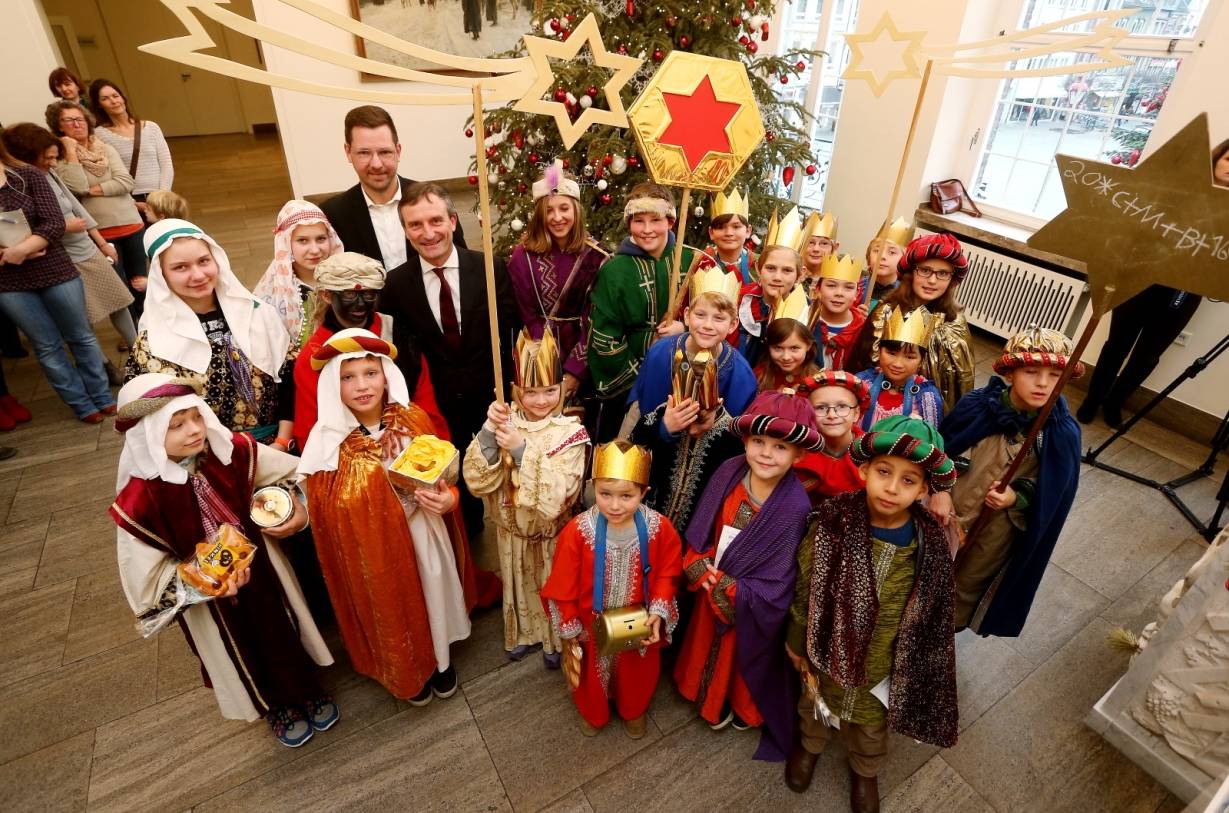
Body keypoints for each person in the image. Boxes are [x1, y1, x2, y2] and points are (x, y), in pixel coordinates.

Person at [109, 374, 337, 747]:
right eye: (176, 425)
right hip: (212, 604)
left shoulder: (232, 452)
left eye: (196, 417)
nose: (194, 430)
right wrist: (201, 581)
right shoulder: (140, 501)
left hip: (265, 571)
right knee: (243, 646)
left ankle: (306, 688)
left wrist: (293, 511)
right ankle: (274, 705)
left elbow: (297, 474)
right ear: (147, 435)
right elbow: (147, 583)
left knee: (283, 628)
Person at [784, 415, 958, 809]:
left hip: (883, 659)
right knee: (815, 702)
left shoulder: (928, 544)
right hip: (824, 644)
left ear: (924, 490)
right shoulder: (832, 522)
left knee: (869, 722)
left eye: (908, 480)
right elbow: (805, 587)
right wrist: (797, 641)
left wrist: (912, 663)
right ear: (863, 470)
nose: (892, 488)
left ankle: (865, 770)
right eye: (884, 472)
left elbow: (932, 612)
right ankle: (811, 745)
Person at [299, 329, 478, 704]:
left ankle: (440, 659)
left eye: (370, 373)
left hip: (424, 531)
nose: (362, 386)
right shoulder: (326, 444)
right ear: (334, 384)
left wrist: (450, 500)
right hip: (376, 550)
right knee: (393, 603)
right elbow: (329, 515)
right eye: (348, 377)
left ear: (386, 375)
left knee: (432, 592)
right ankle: (408, 668)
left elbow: (444, 475)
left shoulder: (412, 419)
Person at [675, 390, 821, 761]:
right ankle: (704, 695)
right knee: (704, 645)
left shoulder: (794, 506)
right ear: (745, 440)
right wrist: (699, 563)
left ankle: (738, 704)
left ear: (798, 455)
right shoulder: (729, 471)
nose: (766, 454)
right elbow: (701, 528)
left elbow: (782, 576)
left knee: (741, 659)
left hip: (748, 601)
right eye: (758, 441)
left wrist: (735, 590)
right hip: (711, 583)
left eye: (780, 447)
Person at [379, 181, 519, 539]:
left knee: (505, 483)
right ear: (405, 230)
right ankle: (469, 544)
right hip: (439, 408)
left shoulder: (490, 268)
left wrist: (513, 394)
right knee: (457, 488)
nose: (428, 233)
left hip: (493, 400)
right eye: (415, 225)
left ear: (453, 221)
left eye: (435, 221)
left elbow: (511, 332)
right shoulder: (396, 286)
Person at [929, 326, 1083, 636]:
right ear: (1011, 372)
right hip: (947, 510)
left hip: (996, 531)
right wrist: (940, 489)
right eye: (1031, 371)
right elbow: (943, 448)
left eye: (1054, 376)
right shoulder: (978, 406)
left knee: (965, 582)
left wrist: (1016, 497)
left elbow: (1053, 494)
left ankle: (937, 640)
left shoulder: (1060, 432)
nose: (1042, 383)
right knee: (926, 566)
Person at [1076, 139, 1228, 427]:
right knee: (1116, 345)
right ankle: (1092, 399)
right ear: (1216, 159)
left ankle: (1114, 403)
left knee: (1147, 357)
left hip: (1185, 292)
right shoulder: (1183, 191)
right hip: (1142, 280)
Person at [462, 328, 590, 667]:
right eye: (531, 392)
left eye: (549, 391)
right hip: (512, 536)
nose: (540, 400)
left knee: (552, 588)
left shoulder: (571, 433)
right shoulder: (505, 422)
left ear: (561, 389)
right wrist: (490, 434)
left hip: (551, 538)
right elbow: (477, 481)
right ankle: (522, 633)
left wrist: (521, 450)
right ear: (516, 391)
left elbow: (561, 493)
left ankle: (552, 640)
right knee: (517, 584)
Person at [540, 440, 684, 738]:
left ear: (644, 492)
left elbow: (668, 573)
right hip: (590, 624)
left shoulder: (660, 528)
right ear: (593, 487)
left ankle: (634, 709)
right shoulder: (577, 532)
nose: (615, 505)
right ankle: (594, 712)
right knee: (592, 672)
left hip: (638, 621)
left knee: (637, 671)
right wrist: (569, 624)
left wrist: (658, 611)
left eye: (626, 496)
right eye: (605, 494)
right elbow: (562, 584)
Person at [126, 219, 295, 448]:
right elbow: (155, 419)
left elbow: (290, 378)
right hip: (206, 456)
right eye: (180, 267)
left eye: (204, 261)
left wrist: (283, 441)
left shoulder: (257, 313)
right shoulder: (153, 341)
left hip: (278, 444)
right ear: (161, 275)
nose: (197, 275)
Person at [1, 123, 135, 385]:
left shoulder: (48, 173)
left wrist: (101, 242)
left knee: (119, 301)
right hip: (61, 259)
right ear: (28, 155)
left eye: (54, 157)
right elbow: (23, 228)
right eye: (48, 158)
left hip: (85, 248)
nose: (53, 163)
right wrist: (63, 226)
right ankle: (104, 368)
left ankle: (140, 351)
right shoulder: (19, 180)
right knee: (80, 322)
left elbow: (76, 208)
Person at [293, 251, 444, 451]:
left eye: (368, 294)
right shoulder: (314, 355)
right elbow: (311, 430)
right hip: (350, 462)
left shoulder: (398, 335)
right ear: (327, 295)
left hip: (412, 448)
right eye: (349, 294)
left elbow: (425, 402)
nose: (361, 304)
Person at [587, 182, 698, 441]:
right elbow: (604, 336)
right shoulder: (614, 270)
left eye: (655, 220)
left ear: (671, 221)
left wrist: (685, 328)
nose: (647, 230)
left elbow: (715, 316)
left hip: (684, 380)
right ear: (629, 224)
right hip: (629, 379)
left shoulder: (692, 261)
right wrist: (642, 368)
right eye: (639, 221)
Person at [506, 160, 605, 406]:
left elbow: (597, 320)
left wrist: (574, 371)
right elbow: (526, 314)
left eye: (564, 209)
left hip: (584, 358)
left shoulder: (597, 257)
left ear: (576, 211)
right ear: (540, 214)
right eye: (549, 210)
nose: (557, 217)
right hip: (538, 356)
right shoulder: (523, 255)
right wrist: (548, 360)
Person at [319, 106, 465, 271]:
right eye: (364, 153)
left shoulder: (434, 199)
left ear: (398, 151)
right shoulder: (332, 213)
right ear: (348, 152)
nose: (376, 164)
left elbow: (460, 260)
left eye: (384, 152)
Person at [848, 232, 975, 411]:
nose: (932, 280)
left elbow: (958, 385)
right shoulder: (885, 312)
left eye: (943, 273)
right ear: (910, 272)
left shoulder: (954, 324)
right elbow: (861, 364)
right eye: (925, 270)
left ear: (952, 279)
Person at [46, 100, 146, 320]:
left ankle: (149, 327)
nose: (77, 124)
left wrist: (90, 191)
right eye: (69, 120)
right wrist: (71, 152)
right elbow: (77, 186)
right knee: (119, 288)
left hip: (131, 223)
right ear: (58, 126)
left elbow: (126, 182)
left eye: (80, 119)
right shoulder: (58, 158)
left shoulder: (105, 148)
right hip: (101, 232)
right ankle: (133, 335)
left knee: (141, 282)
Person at [628, 270, 756, 422]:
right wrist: (665, 428)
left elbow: (737, 433)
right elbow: (638, 408)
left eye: (719, 318)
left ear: (733, 324)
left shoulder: (741, 374)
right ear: (687, 316)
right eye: (700, 315)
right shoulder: (660, 353)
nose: (708, 325)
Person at [253, 200, 344, 348]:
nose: (314, 250)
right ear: (286, 243)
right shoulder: (270, 291)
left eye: (321, 239)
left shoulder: (347, 278)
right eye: (303, 241)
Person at [735, 207, 816, 367]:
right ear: (758, 268)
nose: (777, 277)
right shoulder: (740, 301)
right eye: (771, 268)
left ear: (800, 275)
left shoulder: (808, 311)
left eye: (787, 270)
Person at [89, 79, 175, 223]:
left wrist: (162, 196)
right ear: (99, 105)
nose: (113, 101)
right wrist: (131, 203)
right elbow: (106, 175)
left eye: (115, 96)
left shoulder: (151, 127)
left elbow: (166, 163)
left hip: (160, 195)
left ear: (123, 98)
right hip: (129, 199)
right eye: (105, 98)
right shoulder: (98, 135)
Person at [855, 306, 944, 429]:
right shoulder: (862, 383)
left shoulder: (926, 397)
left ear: (921, 360)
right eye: (891, 353)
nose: (898, 364)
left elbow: (926, 441)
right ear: (879, 351)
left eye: (909, 357)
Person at [793, 370, 869, 504]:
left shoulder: (870, 452)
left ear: (856, 413)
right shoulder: (797, 453)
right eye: (821, 408)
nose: (832, 415)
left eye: (842, 406)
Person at [809, 254, 865, 371]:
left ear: (857, 294)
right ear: (818, 290)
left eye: (848, 287)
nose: (839, 293)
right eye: (831, 285)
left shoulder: (863, 330)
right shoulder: (805, 320)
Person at [695, 188, 755, 285]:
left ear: (748, 231)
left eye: (736, 227)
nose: (729, 233)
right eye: (720, 227)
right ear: (711, 232)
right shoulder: (699, 262)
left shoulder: (760, 265)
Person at [755, 315, 821, 392]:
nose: (786, 357)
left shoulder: (818, 380)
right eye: (778, 348)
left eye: (794, 348)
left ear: (808, 346)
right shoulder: (759, 376)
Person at [858, 217, 911, 313]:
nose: (882, 256)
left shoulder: (906, 297)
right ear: (868, 256)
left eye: (891, 252)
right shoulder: (856, 288)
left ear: (904, 259)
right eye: (877, 250)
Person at [800, 212, 838, 297]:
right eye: (810, 242)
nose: (816, 249)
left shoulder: (837, 281)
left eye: (824, 243)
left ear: (834, 247)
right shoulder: (790, 276)